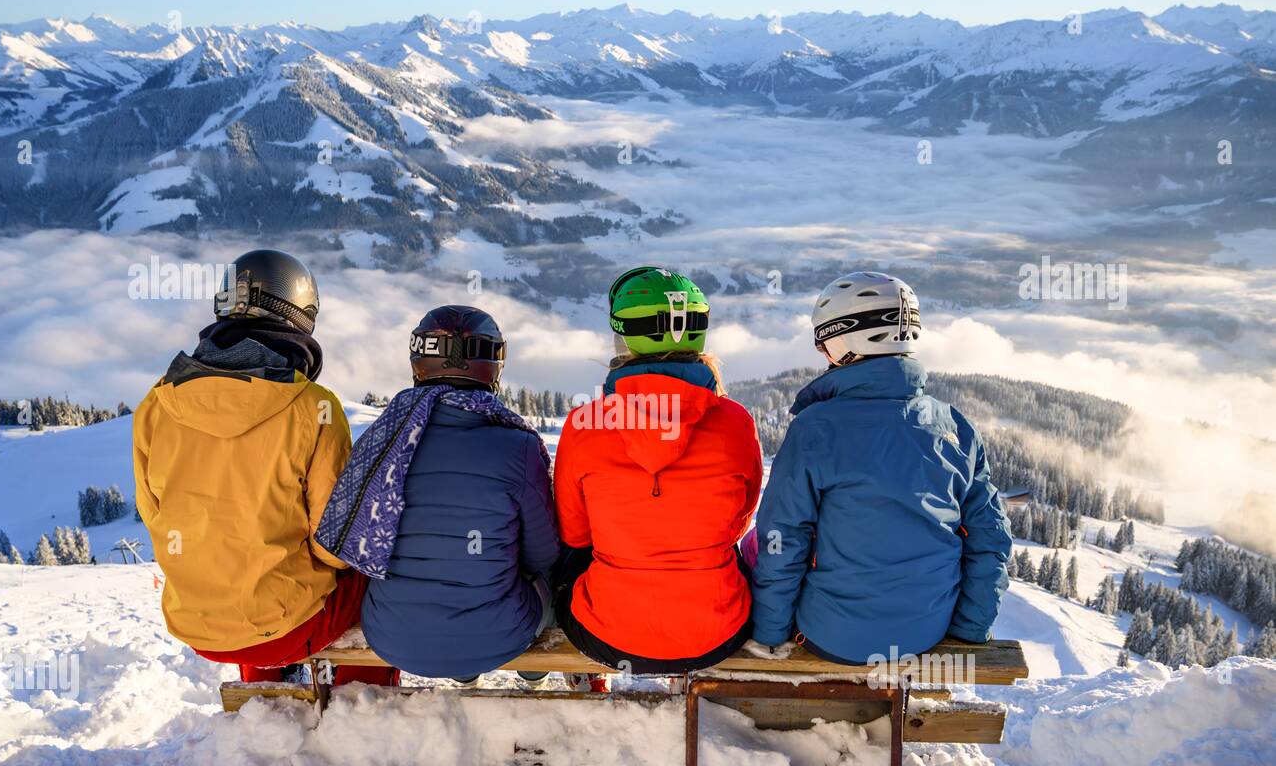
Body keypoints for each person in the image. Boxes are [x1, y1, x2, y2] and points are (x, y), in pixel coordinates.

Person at [133, 249, 396, 687]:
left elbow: (155, 514)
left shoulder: (156, 405)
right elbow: (335, 544)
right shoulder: (314, 408)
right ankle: (362, 699)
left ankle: (264, 686)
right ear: (299, 315)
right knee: (376, 578)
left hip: (198, 627)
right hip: (288, 628)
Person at [748, 271, 1011, 663]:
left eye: (823, 340)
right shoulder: (954, 426)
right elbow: (990, 536)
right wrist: (969, 630)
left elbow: (782, 539)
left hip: (833, 637)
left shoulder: (816, 428)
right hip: (925, 632)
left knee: (754, 544)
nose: (822, 351)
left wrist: (770, 635)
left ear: (844, 341)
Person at [316, 306, 560, 684]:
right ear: (493, 366)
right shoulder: (518, 447)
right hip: (499, 634)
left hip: (390, 634)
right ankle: (532, 672)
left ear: (419, 362)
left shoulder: (384, 442)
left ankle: (465, 673)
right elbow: (544, 552)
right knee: (550, 584)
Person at [553, 266, 763, 675]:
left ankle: (579, 671)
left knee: (565, 563)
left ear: (624, 337)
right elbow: (737, 525)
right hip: (717, 635)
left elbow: (574, 534)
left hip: (607, 635)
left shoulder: (585, 424)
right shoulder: (735, 423)